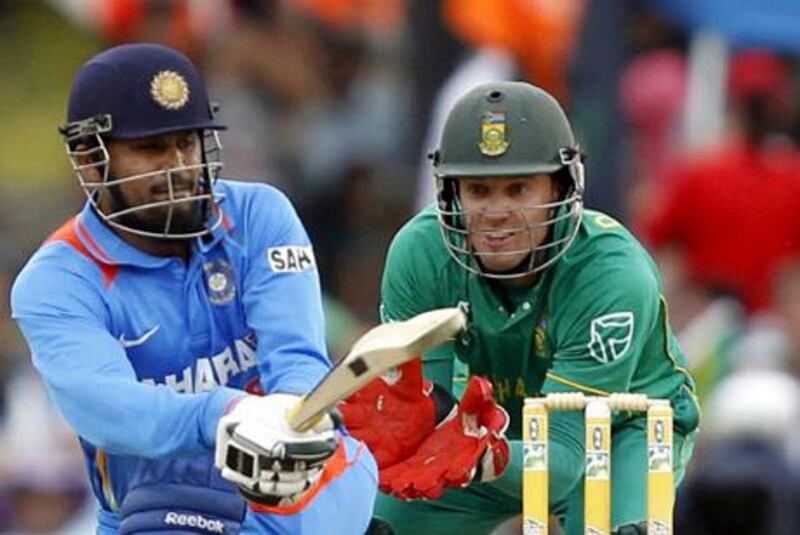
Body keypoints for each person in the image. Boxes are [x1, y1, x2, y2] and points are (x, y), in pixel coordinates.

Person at [10, 42, 376, 534]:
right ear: (91, 162)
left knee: (346, 459)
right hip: (159, 512)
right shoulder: (56, 281)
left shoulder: (258, 215)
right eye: (151, 149)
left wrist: (289, 421)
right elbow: (109, 409)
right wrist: (227, 412)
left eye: (188, 142)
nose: (180, 167)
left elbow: (297, 357)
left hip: (290, 486)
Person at [341, 81, 699, 534]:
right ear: (451, 194)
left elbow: (566, 456)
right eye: (478, 190)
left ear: (564, 187)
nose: (495, 212)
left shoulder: (611, 273)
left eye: (517, 189)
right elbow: (421, 414)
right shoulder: (420, 253)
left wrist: (481, 455)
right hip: (485, 432)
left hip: (620, 429)